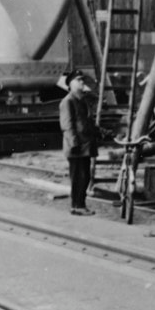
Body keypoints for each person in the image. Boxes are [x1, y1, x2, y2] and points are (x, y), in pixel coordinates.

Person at [59, 70, 98, 214]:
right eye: (78, 80)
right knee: (78, 178)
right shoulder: (68, 101)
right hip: (77, 147)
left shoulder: (81, 100)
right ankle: (77, 206)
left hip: (85, 145)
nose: (82, 82)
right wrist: (74, 143)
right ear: (70, 84)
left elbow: (87, 123)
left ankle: (80, 205)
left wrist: (102, 132)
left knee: (85, 176)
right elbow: (67, 125)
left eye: (82, 80)